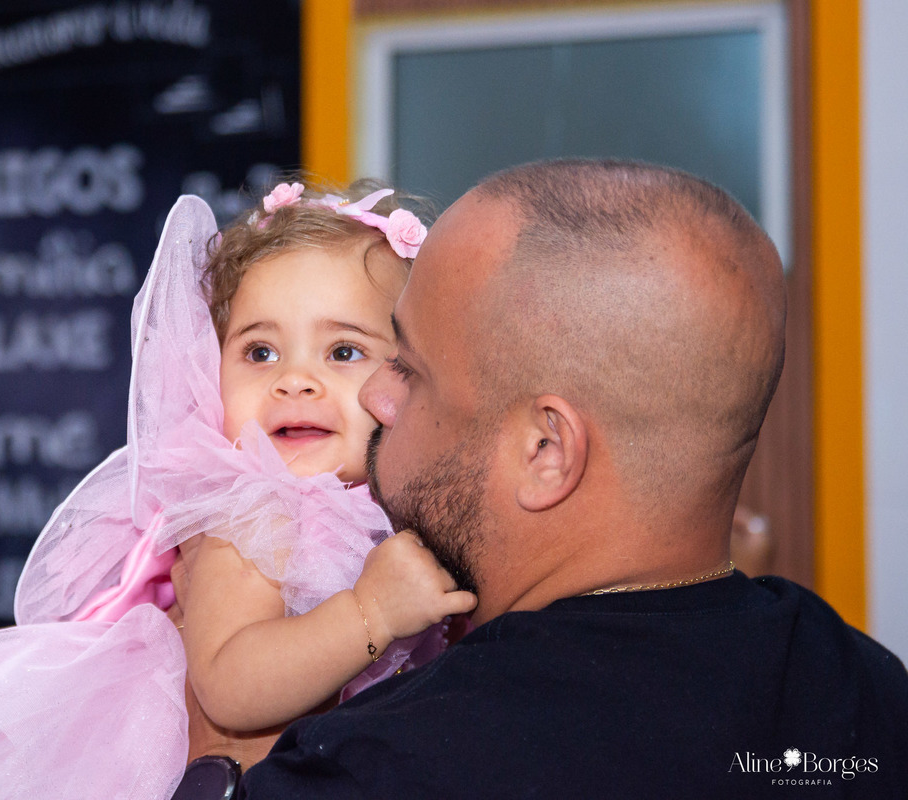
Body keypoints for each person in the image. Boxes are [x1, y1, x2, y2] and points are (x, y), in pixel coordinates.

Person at [179, 159, 908, 798]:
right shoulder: (868, 696)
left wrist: (222, 760)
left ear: (546, 449)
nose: (377, 397)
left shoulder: (395, 764)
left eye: (408, 368)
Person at [0, 182, 474, 800]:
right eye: (259, 352)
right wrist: (369, 614)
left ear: (408, 373)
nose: (294, 381)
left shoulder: (388, 508)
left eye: (343, 352)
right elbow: (231, 685)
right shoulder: (247, 514)